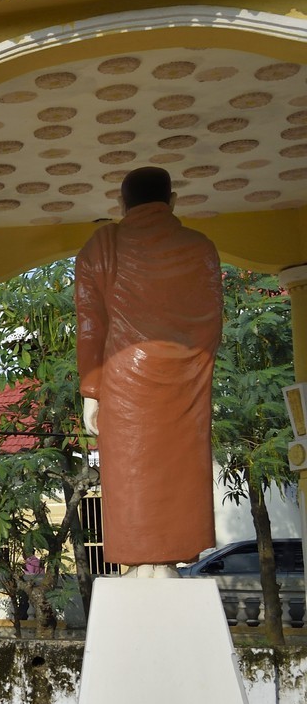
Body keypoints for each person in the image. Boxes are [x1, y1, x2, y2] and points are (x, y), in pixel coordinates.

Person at [75, 165, 223, 577]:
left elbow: (91, 324)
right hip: (185, 375)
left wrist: (92, 390)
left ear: (122, 205)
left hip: (123, 380)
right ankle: (173, 555)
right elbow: (212, 320)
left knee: (132, 471)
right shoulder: (200, 247)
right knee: (179, 463)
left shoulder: (103, 245)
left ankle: (140, 560)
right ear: (172, 201)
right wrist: (191, 363)